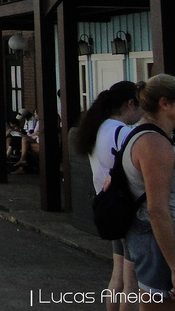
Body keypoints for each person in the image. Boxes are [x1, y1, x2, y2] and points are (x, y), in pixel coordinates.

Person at [74, 81, 142, 311]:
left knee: (117, 276)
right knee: (131, 281)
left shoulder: (98, 129)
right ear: (130, 104)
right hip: (129, 209)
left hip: (108, 205)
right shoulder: (123, 132)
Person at [124, 74, 175, 303]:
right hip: (158, 242)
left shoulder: (141, 133)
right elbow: (157, 209)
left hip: (146, 237)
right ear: (164, 104)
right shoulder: (154, 143)